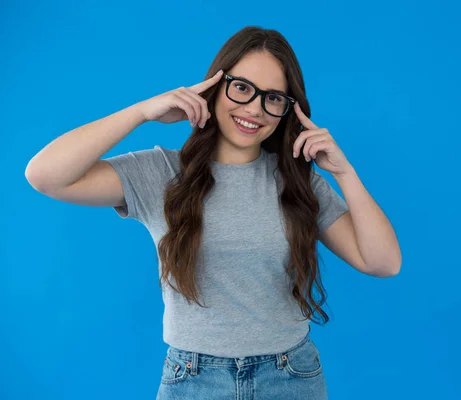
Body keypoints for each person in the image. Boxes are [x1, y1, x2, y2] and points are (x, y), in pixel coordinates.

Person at [25, 26, 402, 399]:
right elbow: (45, 176)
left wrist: (343, 172)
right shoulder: (160, 173)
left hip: (290, 378)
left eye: (273, 98)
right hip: (194, 380)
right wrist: (141, 112)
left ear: (288, 110)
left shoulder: (300, 184)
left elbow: (383, 262)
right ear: (214, 87)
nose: (254, 108)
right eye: (242, 87)